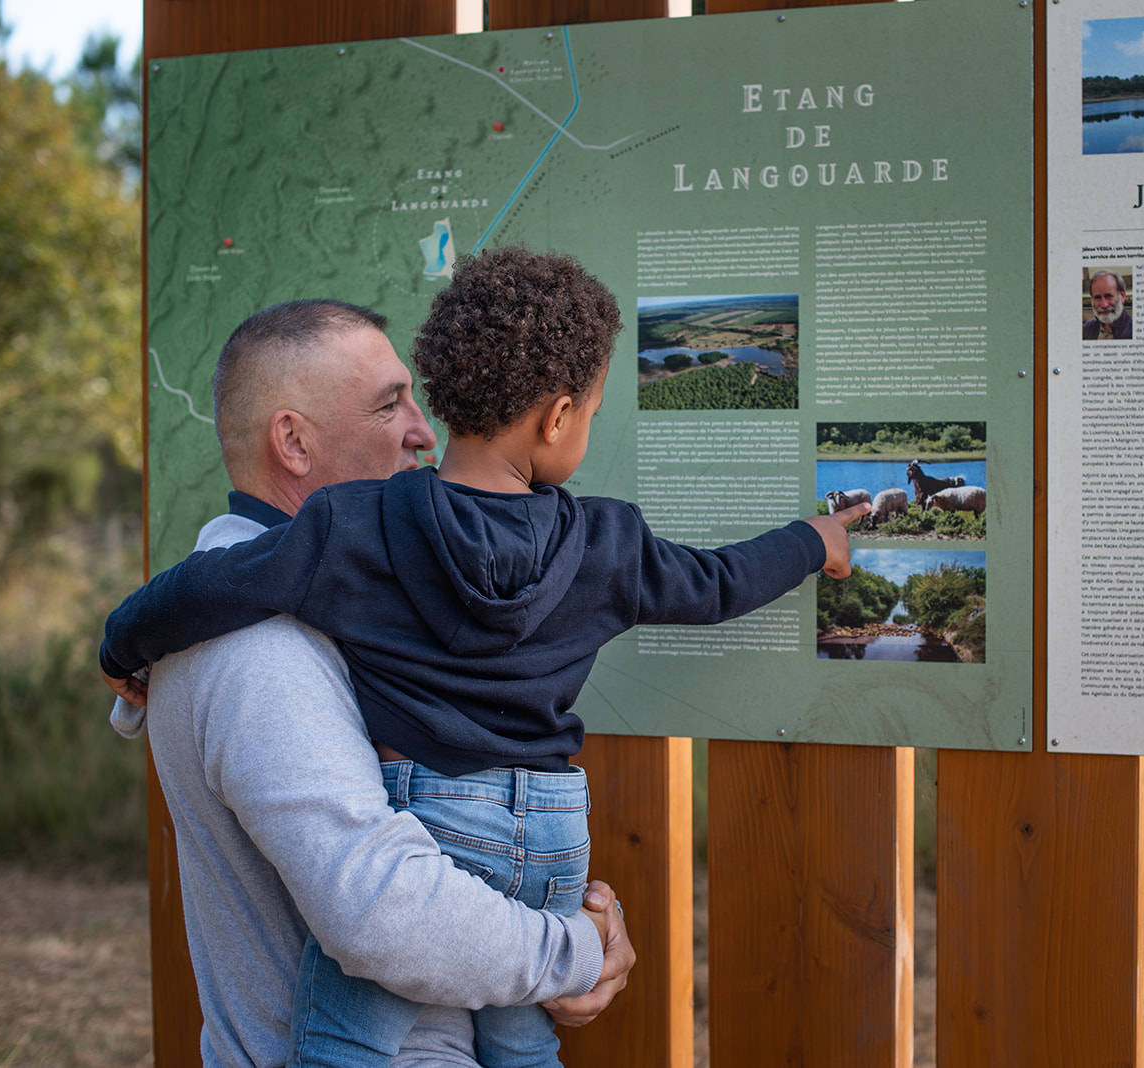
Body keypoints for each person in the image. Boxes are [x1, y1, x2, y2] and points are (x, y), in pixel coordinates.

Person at [103, 248, 868, 1068]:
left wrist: (123, 645)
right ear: (558, 416)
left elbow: (207, 587)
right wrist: (811, 541)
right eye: (388, 405)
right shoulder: (601, 541)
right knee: (524, 1043)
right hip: (553, 835)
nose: (418, 430)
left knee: (340, 1040)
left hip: (442, 818)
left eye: (417, 397)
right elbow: (717, 581)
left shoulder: (354, 531)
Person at [107, 298, 634, 1068]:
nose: (427, 432)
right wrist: (576, 949)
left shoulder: (284, 605)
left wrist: (551, 914)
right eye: (391, 405)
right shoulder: (262, 651)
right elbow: (384, 911)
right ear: (292, 441)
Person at [1082, 270, 1132, 339]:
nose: (1104, 305)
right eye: (1098, 298)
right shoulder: (1087, 329)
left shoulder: (1134, 331)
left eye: (1109, 296)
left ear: (1122, 296)